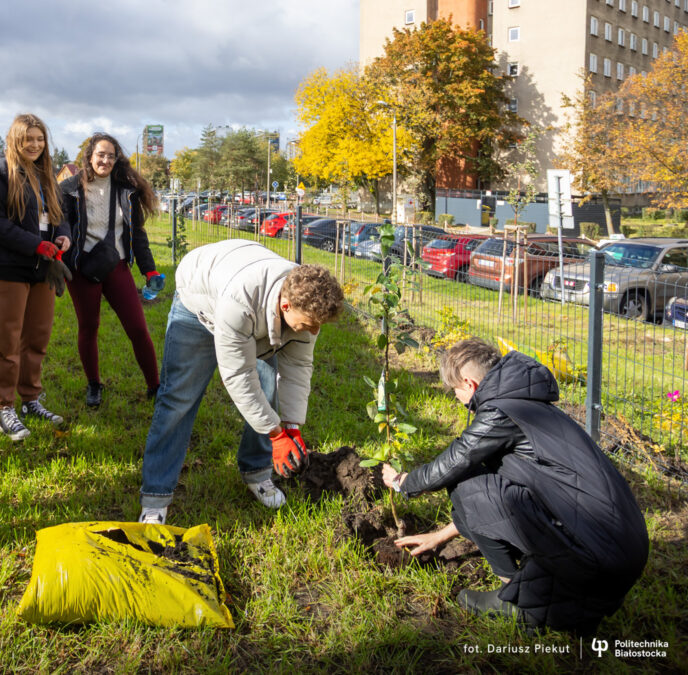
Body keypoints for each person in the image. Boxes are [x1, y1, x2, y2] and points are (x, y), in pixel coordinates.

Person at [381, 339, 649, 634]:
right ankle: (541, 589)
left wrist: (402, 482)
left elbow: (454, 463)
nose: (455, 397)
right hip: (619, 552)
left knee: (464, 482)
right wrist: (439, 536)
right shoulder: (527, 404)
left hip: (597, 558)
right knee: (482, 482)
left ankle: (519, 600)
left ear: (469, 384)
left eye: (453, 390)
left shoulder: (500, 413)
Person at [138, 240, 344, 524]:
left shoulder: (307, 304)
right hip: (199, 299)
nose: (315, 331)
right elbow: (238, 376)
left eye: (319, 324)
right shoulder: (241, 301)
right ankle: (155, 498)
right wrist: (275, 435)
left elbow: (297, 366)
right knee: (178, 400)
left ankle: (257, 473)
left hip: (244, 293)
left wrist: (291, 426)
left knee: (268, 387)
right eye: (310, 323)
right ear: (286, 305)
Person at [0, 113, 71, 441]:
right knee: (9, 342)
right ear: (15, 140)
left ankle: (31, 399)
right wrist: (36, 245)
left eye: (40, 139)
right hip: (9, 268)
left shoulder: (46, 175)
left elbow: (59, 216)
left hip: (43, 269)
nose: (34, 144)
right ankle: (6, 407)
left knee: (37, 338)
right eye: (28, 138)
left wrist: (63, 237)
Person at [59, 133, 162, 408]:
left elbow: (136, 234)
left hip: (116, 266)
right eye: (100, 154)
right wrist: (65, 260)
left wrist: (149, 270)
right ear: (89, 155)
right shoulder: (69, 188)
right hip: (82, 269)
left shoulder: (125, 189)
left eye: (110, 155)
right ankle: (94, 384)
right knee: (89, 326)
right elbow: (63, 228)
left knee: (138, 328)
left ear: (116, 160)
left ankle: (155, 386)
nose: (105, 160)